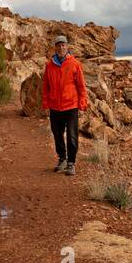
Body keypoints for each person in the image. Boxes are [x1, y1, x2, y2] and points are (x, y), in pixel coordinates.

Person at [42, 34, 88, 174]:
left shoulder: (75, 64)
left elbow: (81, 86)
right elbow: (45, 87)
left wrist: (82, 103)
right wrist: (45, 104)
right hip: (55, 107)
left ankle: (71, 163)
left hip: (71, 106)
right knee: (57, 135)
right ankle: (62, 159)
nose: (61, 47)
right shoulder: (49, 66)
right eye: (58, 45)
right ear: (55, 48)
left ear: (67, 47)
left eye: (63, 45)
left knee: (72, 137)